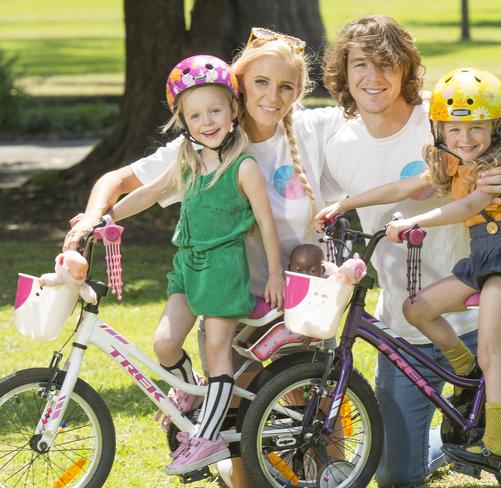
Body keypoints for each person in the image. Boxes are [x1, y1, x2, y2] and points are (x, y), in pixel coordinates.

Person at [62, 28, 344, 487]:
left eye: (286, 87)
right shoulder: (195, 147)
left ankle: (327, 471)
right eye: (260, 83)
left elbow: (380, 114)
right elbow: (127, 185)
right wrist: (95, 217)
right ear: (239, 87)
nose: (272, 97)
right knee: (210, 378)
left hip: (287, 294)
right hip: (212, 283)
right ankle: (202, 419)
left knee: (297, 401)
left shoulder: (305, 133)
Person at [319, 15, 501, 487]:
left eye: (387, 64)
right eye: (361, 64)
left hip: (476, 315)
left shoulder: (454, 113)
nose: (373, 77)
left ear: (407, 70)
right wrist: (342, 206)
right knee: (395, 477)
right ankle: (445, 443)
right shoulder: (342, 140)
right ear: (343, 74)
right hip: (404, 333)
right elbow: (407, 184)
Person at [107, 54, 284, 476]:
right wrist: (105, 218)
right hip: (186, 266)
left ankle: (206, 439)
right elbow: (149, 194)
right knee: (165, 343)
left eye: (215, 110)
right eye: (195, 115)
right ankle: (189, 392)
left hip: (224, 267)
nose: (207, 121)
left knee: (217, 351)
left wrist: (275, 273)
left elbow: (266, 223)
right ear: (183, 121)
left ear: (232, 110)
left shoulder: (243, 168)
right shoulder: (186, 161)